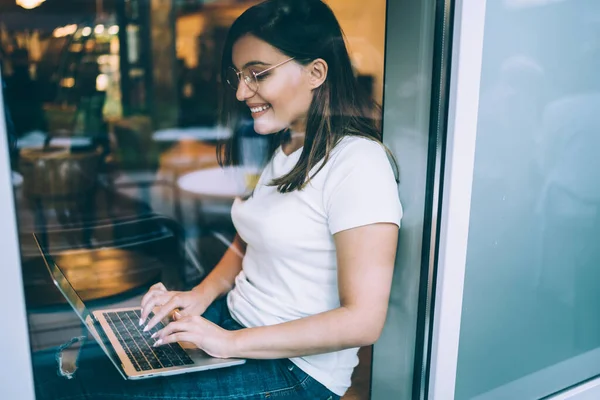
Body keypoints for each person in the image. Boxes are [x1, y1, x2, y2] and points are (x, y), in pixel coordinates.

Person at [33, 0, 402, 398]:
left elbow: (363, 321)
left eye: (257, 74)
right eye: (240, 76)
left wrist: (227, 343)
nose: (243, 91)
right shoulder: (288, 148)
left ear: (316, 72)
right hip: (237, 323)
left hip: (297, 369)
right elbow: (249, 241)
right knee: (93, 358)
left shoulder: (359, 163)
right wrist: (199, 297)